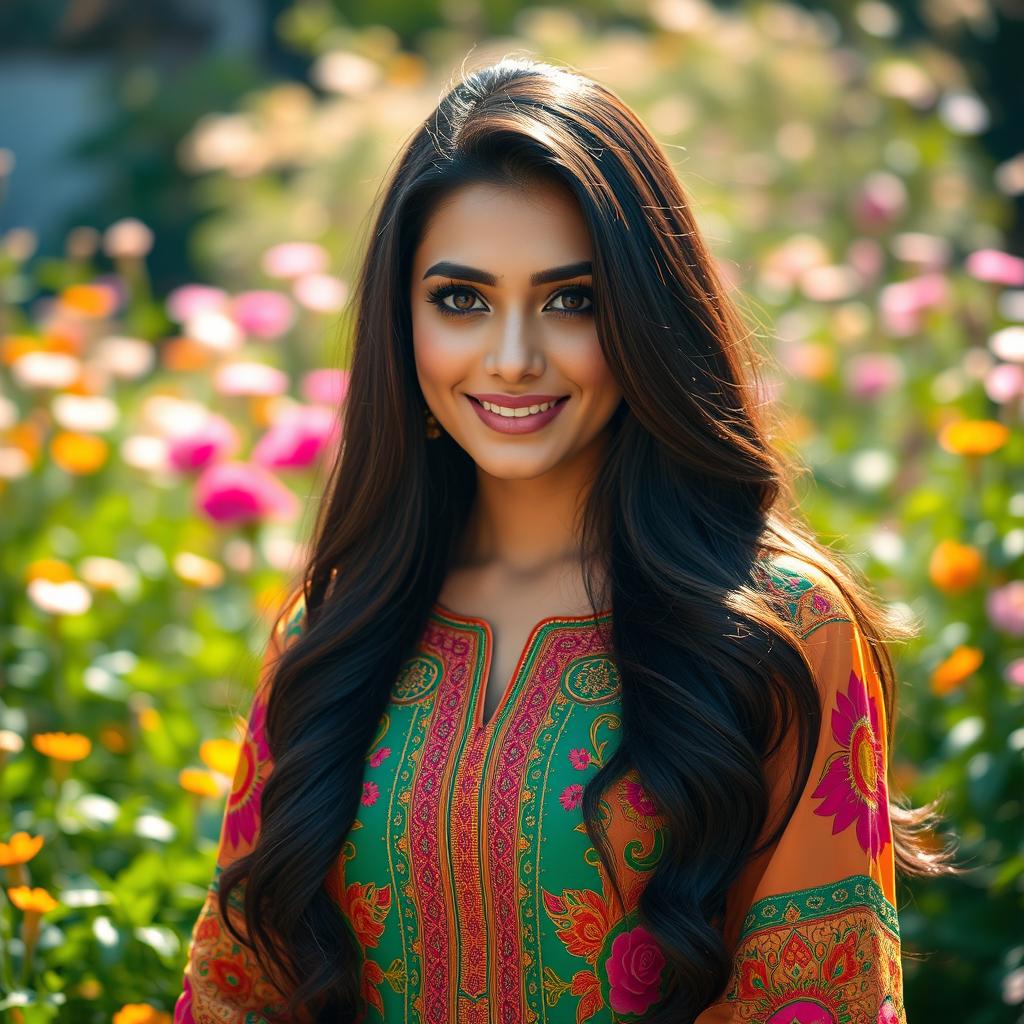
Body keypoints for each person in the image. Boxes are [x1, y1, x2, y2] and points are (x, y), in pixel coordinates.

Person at [172, 57, 958, 1024]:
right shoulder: (338, 624)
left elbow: (817, 1001)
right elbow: (237, 991)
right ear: (400, 319)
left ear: (645, 313)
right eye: (461, 300)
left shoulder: (781, 629)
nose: (512, 358)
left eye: (570, 300)